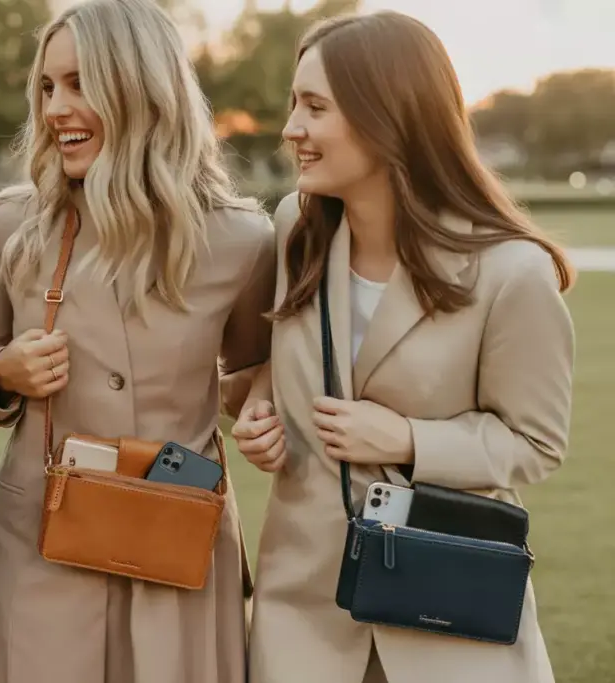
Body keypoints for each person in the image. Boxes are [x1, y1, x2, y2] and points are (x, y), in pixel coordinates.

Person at [226, 10, 576, 683]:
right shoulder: (295, 225)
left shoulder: (512, 272)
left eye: (315, 107)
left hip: (449, 627)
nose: (291, 127)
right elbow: (281, 357)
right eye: (294, 103)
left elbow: (536, 442)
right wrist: (261, 411)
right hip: (301, 622)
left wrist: (407, 438)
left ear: (388, 116)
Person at [0, 0, 276, 681]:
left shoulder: (244, 240)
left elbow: (253, 370)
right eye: (47, 87)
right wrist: (3, 373)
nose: (55, 109)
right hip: (39, 543)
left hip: (179, 538)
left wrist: (260, 404)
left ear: (141, 89)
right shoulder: (14, 223)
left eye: (79, 84)